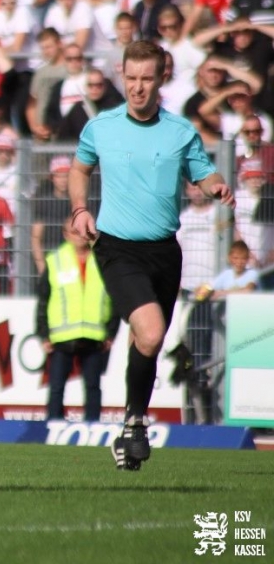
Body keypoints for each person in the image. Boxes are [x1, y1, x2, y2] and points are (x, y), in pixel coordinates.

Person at [69, 40, 234, 471]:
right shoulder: (101, 127)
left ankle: (130, 426)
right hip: (117, 247)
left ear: (162, 78)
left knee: (148, 341)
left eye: (146, 79)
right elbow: (79, 168)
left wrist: (216, 185)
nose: (138, 87)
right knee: (152, 329)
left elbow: (203, 172)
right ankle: (137, 423)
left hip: (164, 251)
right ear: (121, 76)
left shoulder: (180, 131)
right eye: (131, 78)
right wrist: (80, 209)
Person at [36, 218, 119, 422]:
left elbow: (115, 297)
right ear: (66, 235)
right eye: (74, 231)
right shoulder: (55, 260)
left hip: (94, 335)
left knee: (93, 386)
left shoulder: (103, 260)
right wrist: (44, 334)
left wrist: (111, 332)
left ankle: (92, 426)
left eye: (83, 231)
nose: (80, 236)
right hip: (62, 336)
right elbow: (44, 300)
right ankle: (54, 425)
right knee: (56, 386)